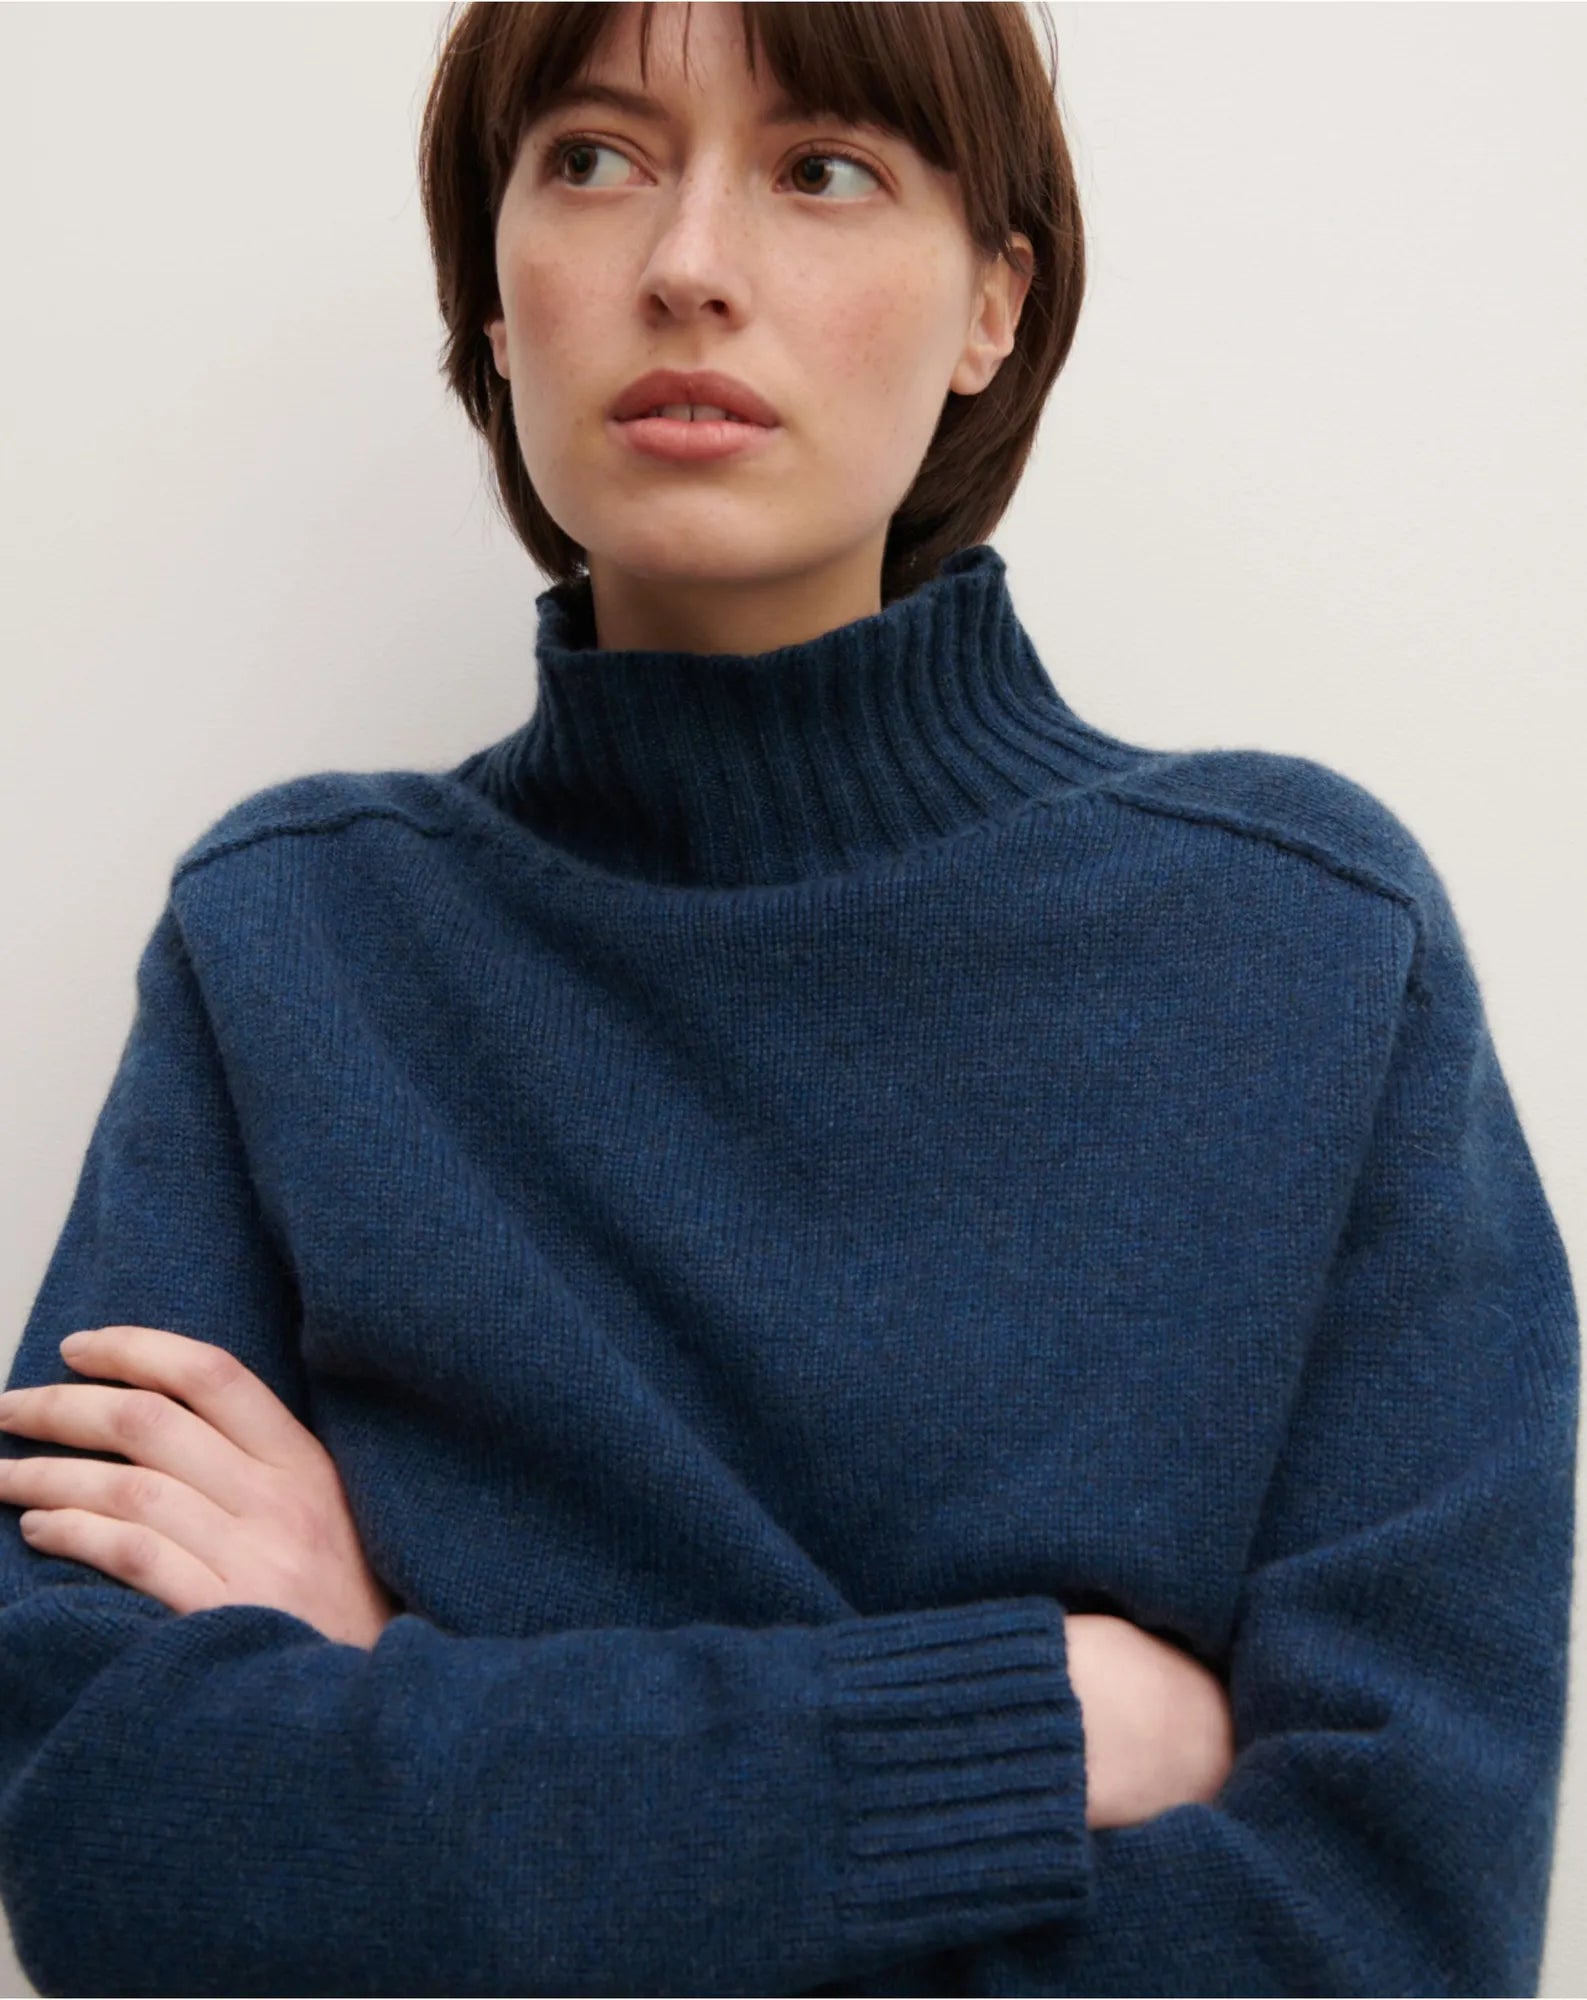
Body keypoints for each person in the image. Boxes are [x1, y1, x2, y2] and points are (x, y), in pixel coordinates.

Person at [0, 5, 1575, 1995]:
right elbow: (114, 1838)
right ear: (490, 294)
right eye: (592, 159)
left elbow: (1386, 1938)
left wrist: (409, 1689)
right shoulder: (294, 945)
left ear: (993, 305)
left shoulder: (1312, 950)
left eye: (823, 170)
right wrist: (1016, 1733)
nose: (687, 263)